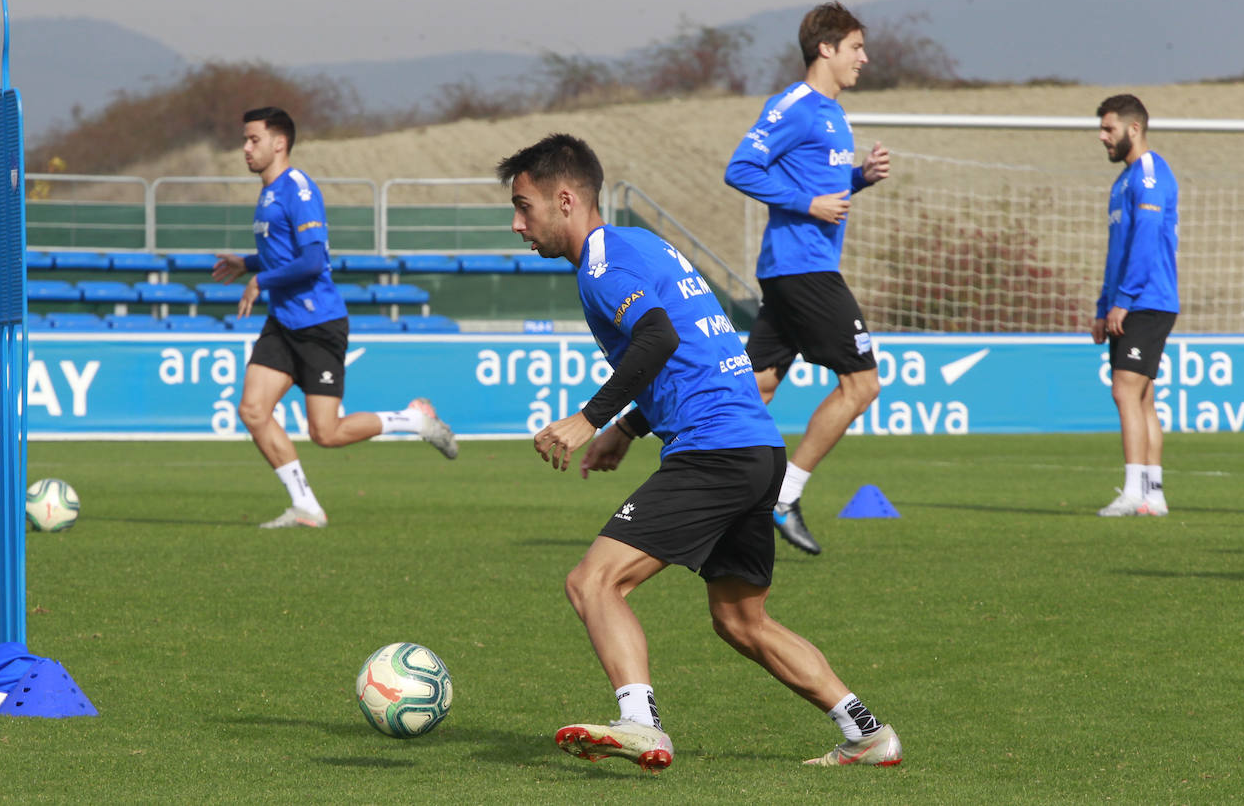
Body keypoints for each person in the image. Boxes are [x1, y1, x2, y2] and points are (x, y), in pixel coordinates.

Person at [498, 133, 901, 772]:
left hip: (713, 452)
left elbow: (655, 339)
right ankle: (868, 733)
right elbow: (686, 351)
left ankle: (640, 725)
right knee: (742, 620)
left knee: (593, 582)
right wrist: (628, 431)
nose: (518, 225)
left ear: (565, 199)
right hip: (755, 449)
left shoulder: (604, 268)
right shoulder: (643, 245)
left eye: (524, 207)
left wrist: (588, 418)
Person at [213, 107, 458, 529]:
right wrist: (248, 262)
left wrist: (261, 281)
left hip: (317, 324)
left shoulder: (298, 188)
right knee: (253, 410)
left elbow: (312, 260)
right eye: (244, 140)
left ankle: (413, 419)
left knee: (325, 434)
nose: (245, 148)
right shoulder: (269, 192)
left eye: (253, 139)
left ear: (279, 143)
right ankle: (305, 506)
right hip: (283, 323)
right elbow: (283, 251)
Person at [723, 1, 890, 556]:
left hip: (798, 269)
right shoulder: (795, 104)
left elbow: (824, 187)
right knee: (861, 384)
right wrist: (806, 202)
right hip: (804, 269)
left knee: (757, 387)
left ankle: (705, 485)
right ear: (826, 48)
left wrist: (859, 178)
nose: (864, 58)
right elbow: (741, 167)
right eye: (856, 47)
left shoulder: (833, 113)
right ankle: (783, 496)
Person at [1091, 95, 1179, 517]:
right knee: (1142, 397)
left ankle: (1132, 492)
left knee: (1124, 390)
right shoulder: (1123, 180)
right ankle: (1154, 494)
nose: (1103, 137)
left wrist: (1122, 301)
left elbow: (1144, 244)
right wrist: (1102, 305)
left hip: (1148, 300)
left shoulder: (1148, 175)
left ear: (1134, 129)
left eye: (1109, 129)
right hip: (1131, 300)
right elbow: (1118, 251)